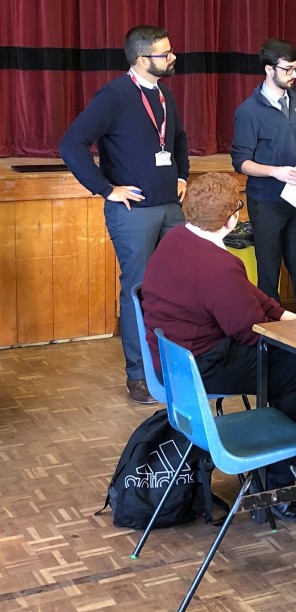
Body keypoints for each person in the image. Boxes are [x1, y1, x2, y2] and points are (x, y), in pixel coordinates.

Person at [140, 173, 296, 516]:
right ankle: (280, 484)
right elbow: (249, 332)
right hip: (202, 367)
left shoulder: (176, 238)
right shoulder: (219, 266)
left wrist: (285, 314)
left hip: (174, 361)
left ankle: (286, 448)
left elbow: (243, 291)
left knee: (290, 361)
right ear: (232, 219)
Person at [60, 25, 189, 405]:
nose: (173, 58)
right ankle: (139, 376)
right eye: (165, 54)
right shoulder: (114, 95)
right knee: (139, 290)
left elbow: (178, 139)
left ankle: (172, 369)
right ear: (141, 60)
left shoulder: (164, 93)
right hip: (133, 214)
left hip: (170, 207)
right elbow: (71, 144)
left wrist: (181, 174)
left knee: (175, 289)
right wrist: (106, 189)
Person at [231, 38, 296, 307]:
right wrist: (276, 172)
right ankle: (269, 327)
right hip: (266, 203)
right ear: (269, 69)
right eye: (287, 69)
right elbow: (241, 163)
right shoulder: (249, 111)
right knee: (268, 272)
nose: (293, 75)